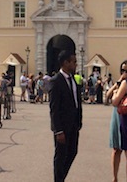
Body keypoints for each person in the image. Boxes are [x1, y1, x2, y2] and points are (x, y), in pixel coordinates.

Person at [49, 50, 83, 182]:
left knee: (72, 152)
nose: (75, 65)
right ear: (65, 63)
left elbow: (77, 101)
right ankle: (58, 180)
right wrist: (58, 130)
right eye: (73, 62)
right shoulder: (56, 81)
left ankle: (61, 178)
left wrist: (79, 121)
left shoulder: (73, 79)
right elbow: (54, 108)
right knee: (61, 155)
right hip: (62, 127)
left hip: (74, 124)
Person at [106, 61, 127, 182]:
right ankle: (114, 177)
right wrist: (117, 84)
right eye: (122, 70)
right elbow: (107, 96)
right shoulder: (119, 84)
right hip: (117, 116)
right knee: (116, 149)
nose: (124, 73)